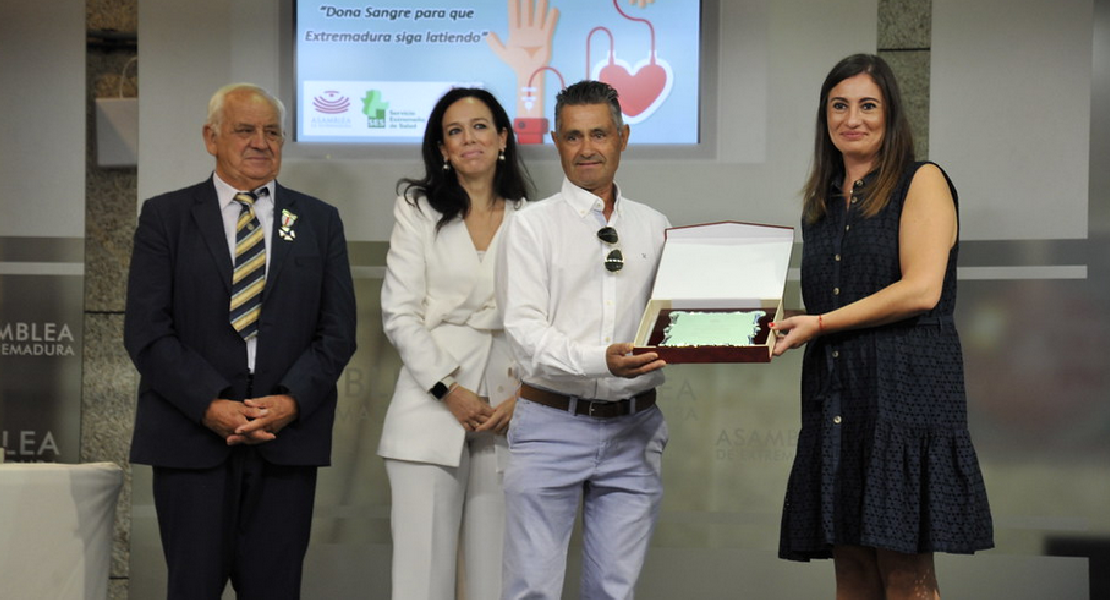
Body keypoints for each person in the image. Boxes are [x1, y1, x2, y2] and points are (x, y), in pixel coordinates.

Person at [771, 54, 993, 599]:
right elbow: (830, 301)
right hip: (836, 397)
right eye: (839, 106)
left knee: (906, 577)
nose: (854, 118)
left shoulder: (923, 180)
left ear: (891, 114)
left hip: (903, 398)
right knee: (851, 571)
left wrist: (818, 322)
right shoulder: (820, 204)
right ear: (824, 118)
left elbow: (922, 290)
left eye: (868, 105)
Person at [123, 83, 357, 600]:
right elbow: (146, 329)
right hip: (192, 440)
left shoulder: (317, 221)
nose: (261, 142)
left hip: (284, 441)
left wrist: (291, 401)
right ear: (211, 138)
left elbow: (337, 332)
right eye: (245, 130)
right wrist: (210, 404)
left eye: (272, 132)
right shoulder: (166, 217)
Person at [496, 80, 671, 600]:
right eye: (574, 137)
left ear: (623, 137)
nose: (587, 148)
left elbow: (675, 322)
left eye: (599, 134)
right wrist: (602, 360)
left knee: (614, 592)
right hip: (550, 425)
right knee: (532, 591)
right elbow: (525, 336)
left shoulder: (655, 226)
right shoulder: (531, 226)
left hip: (635, 429)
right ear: (556, 141)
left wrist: (746, 328)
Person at [378, 87, 533, 600]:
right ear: (442, 149)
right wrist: (450, 390)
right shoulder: (417, 209)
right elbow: (400, 315)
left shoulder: (533, 218)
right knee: (421, 581)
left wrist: (523, 397)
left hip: (508, 410)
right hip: (430, 403)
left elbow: (545, 322)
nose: (469, 138)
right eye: (454, 131)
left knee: (497, 582)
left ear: (503, 137)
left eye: (480, 126)